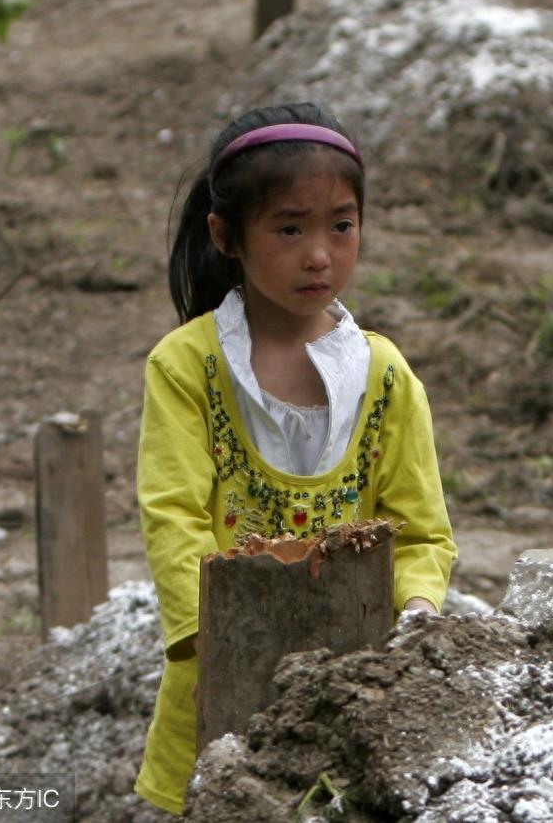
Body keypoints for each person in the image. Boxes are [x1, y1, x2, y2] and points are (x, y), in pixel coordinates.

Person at [133, 102, 457, 815]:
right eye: (289, 227)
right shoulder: (188, 367)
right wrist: (210, 644)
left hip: (359, 700)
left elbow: (422, 530)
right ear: (226, 236)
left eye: (341, 225)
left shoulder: (386, 376)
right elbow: (173, 516)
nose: (319, 254)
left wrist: (418, 612)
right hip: (218, 687)